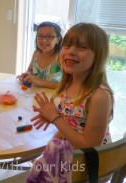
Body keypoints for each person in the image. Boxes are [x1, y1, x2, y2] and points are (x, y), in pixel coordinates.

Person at [26, 23, 114, 182]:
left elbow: (90, 145)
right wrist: (55, 117)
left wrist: (55, 118)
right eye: (67, 45)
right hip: (70, 153)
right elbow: (72, 121)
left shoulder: (99, 96)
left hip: (89, 165)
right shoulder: (69, 84)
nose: (70, 51)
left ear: (98, 55)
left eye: (82, 47)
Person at [17, 21, 63, 89]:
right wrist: (28, 74)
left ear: (58, 40)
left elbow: (66, 85)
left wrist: (40, 82)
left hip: (51, 97)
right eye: (40, 36)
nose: (44, 40)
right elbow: (30, 70)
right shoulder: (36, 53)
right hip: (34, 94)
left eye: (49, 36)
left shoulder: (60, 57)